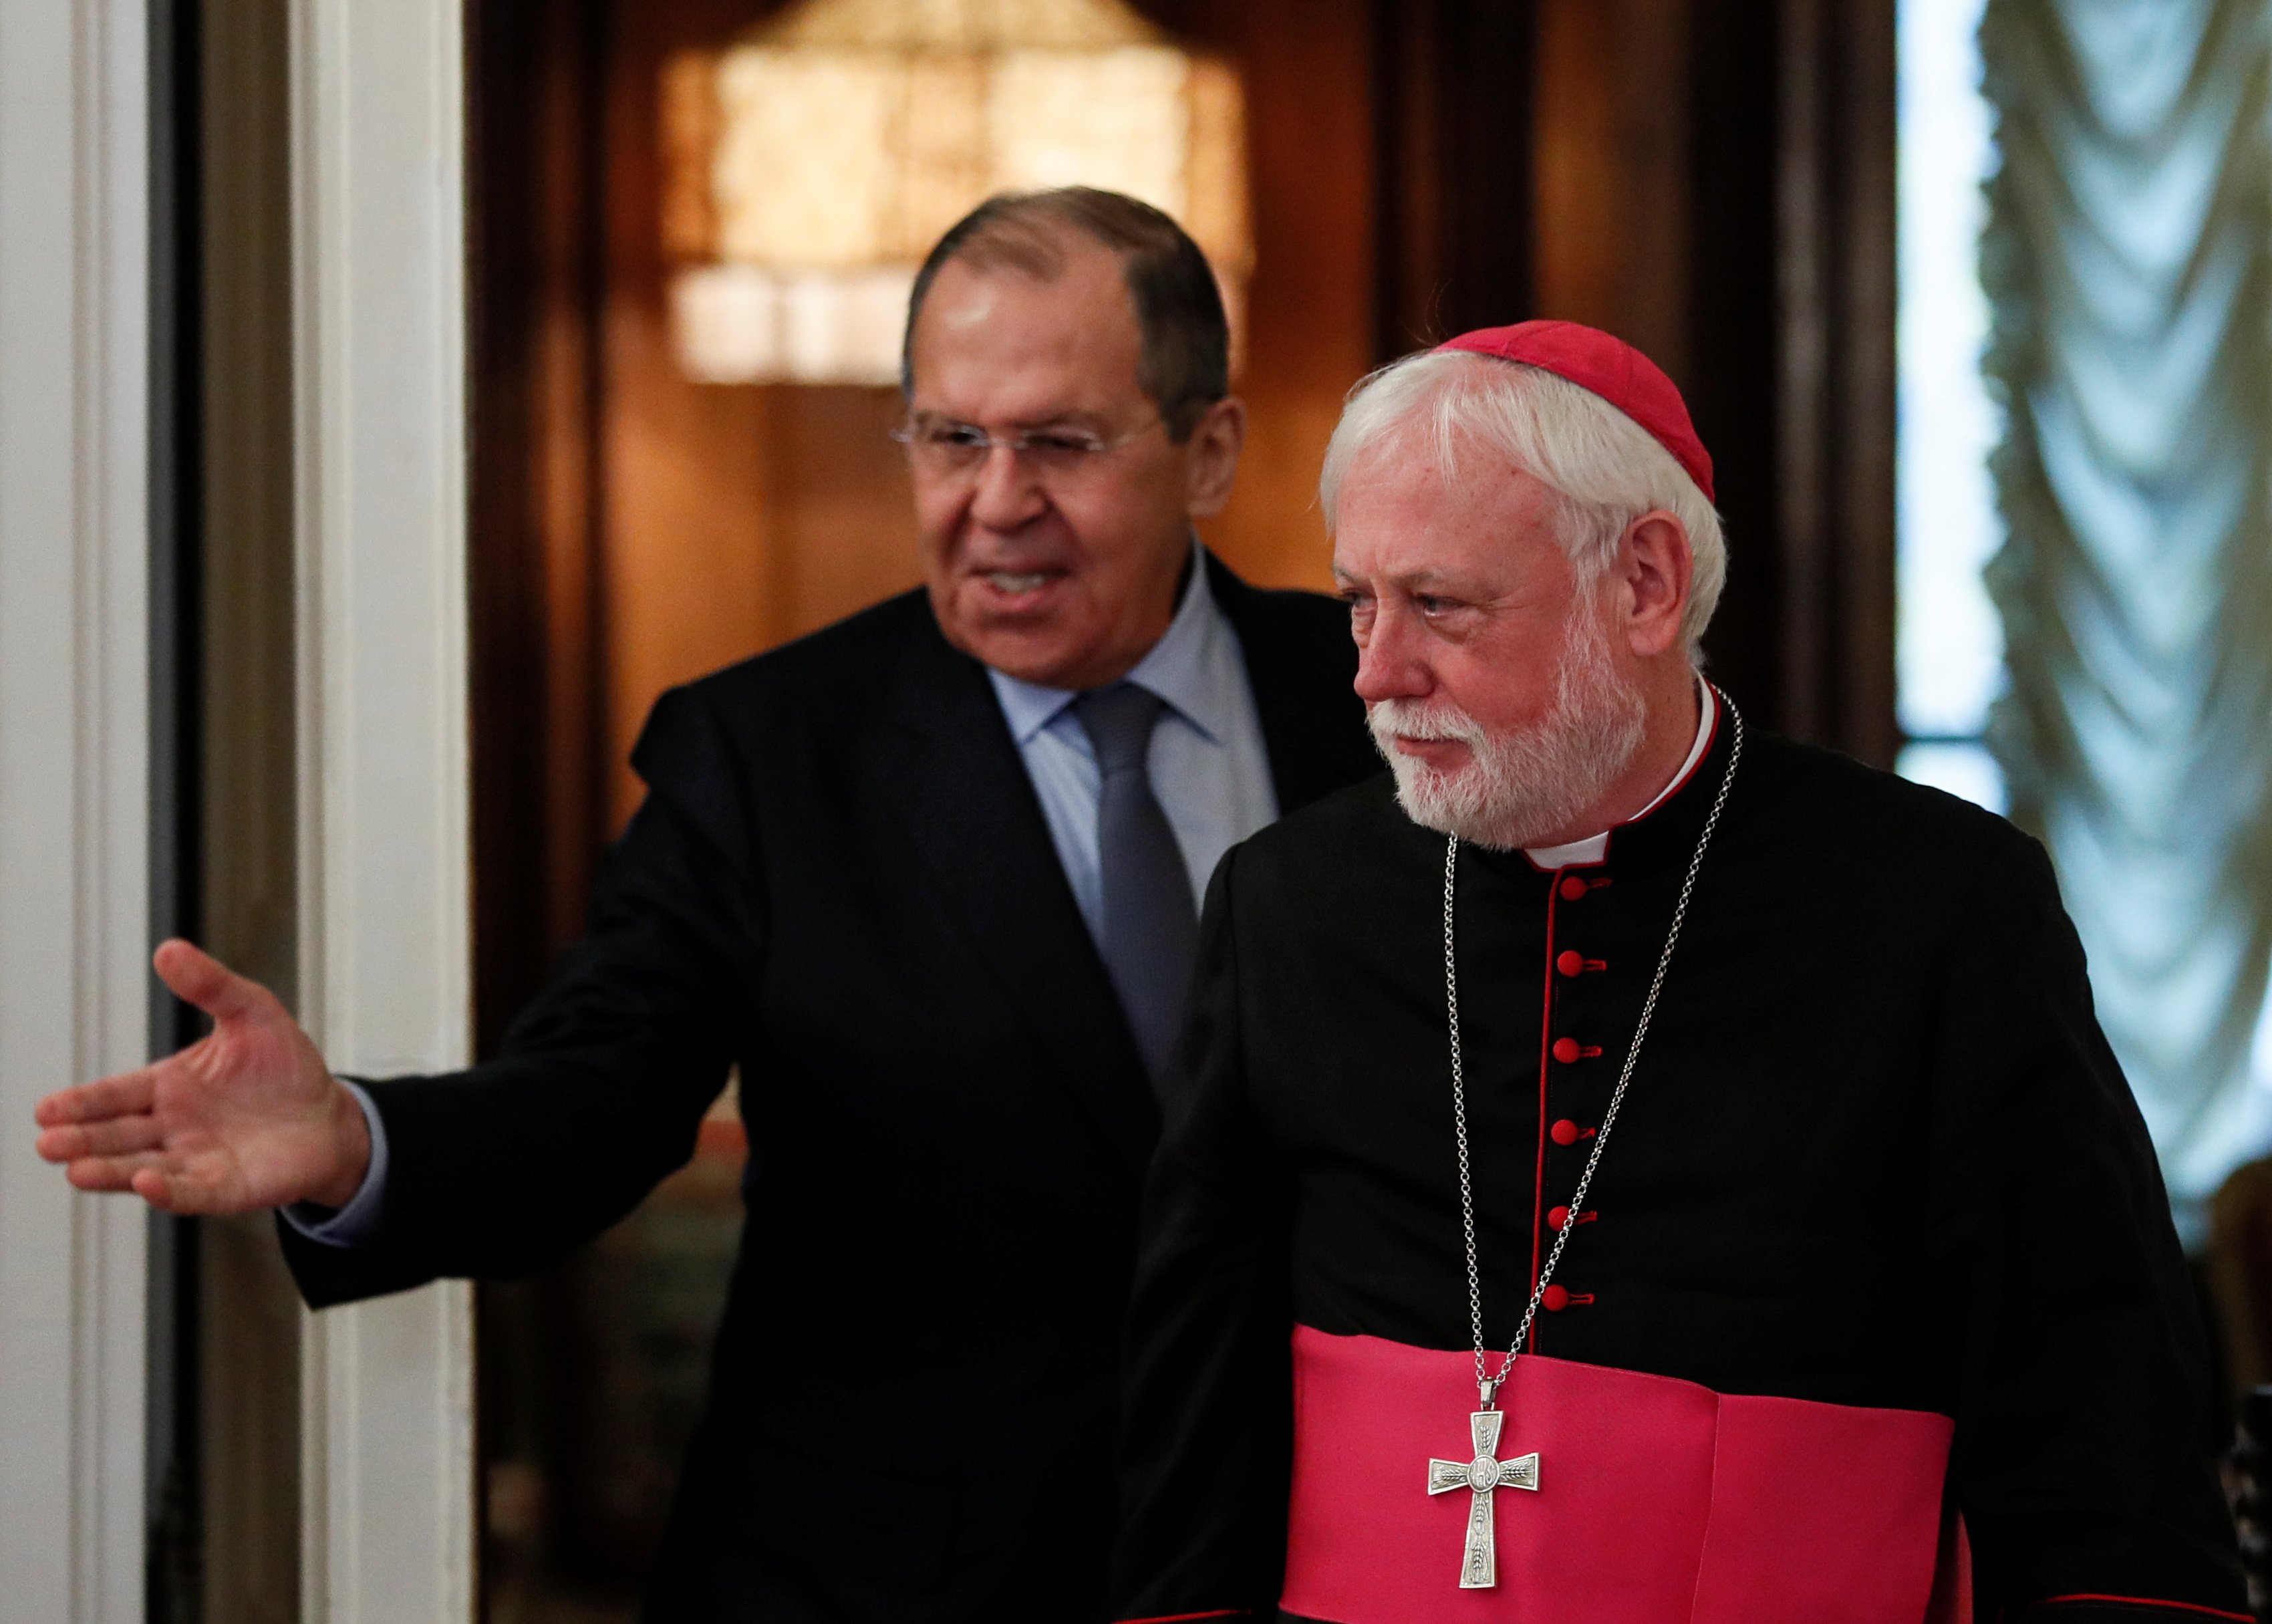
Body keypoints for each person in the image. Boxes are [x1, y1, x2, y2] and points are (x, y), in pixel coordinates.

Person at [33, 188, 1379, 1623]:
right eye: (949, 438)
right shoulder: (766, 754)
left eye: (1059, 442)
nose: (996, 504)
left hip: (1313, 1552)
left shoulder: (1370, 710)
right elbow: (598, 1096)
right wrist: (355, 1141)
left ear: (1208, 450)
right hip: (887, 1582)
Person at [1106, 321, 2245, 1624]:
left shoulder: (1933, 905)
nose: (1374, 672)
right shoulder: (1286, 904)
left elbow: (2085, 1392)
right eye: (1357, 599)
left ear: (1642, 583)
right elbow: (1200, 1386)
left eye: (1439, 605)